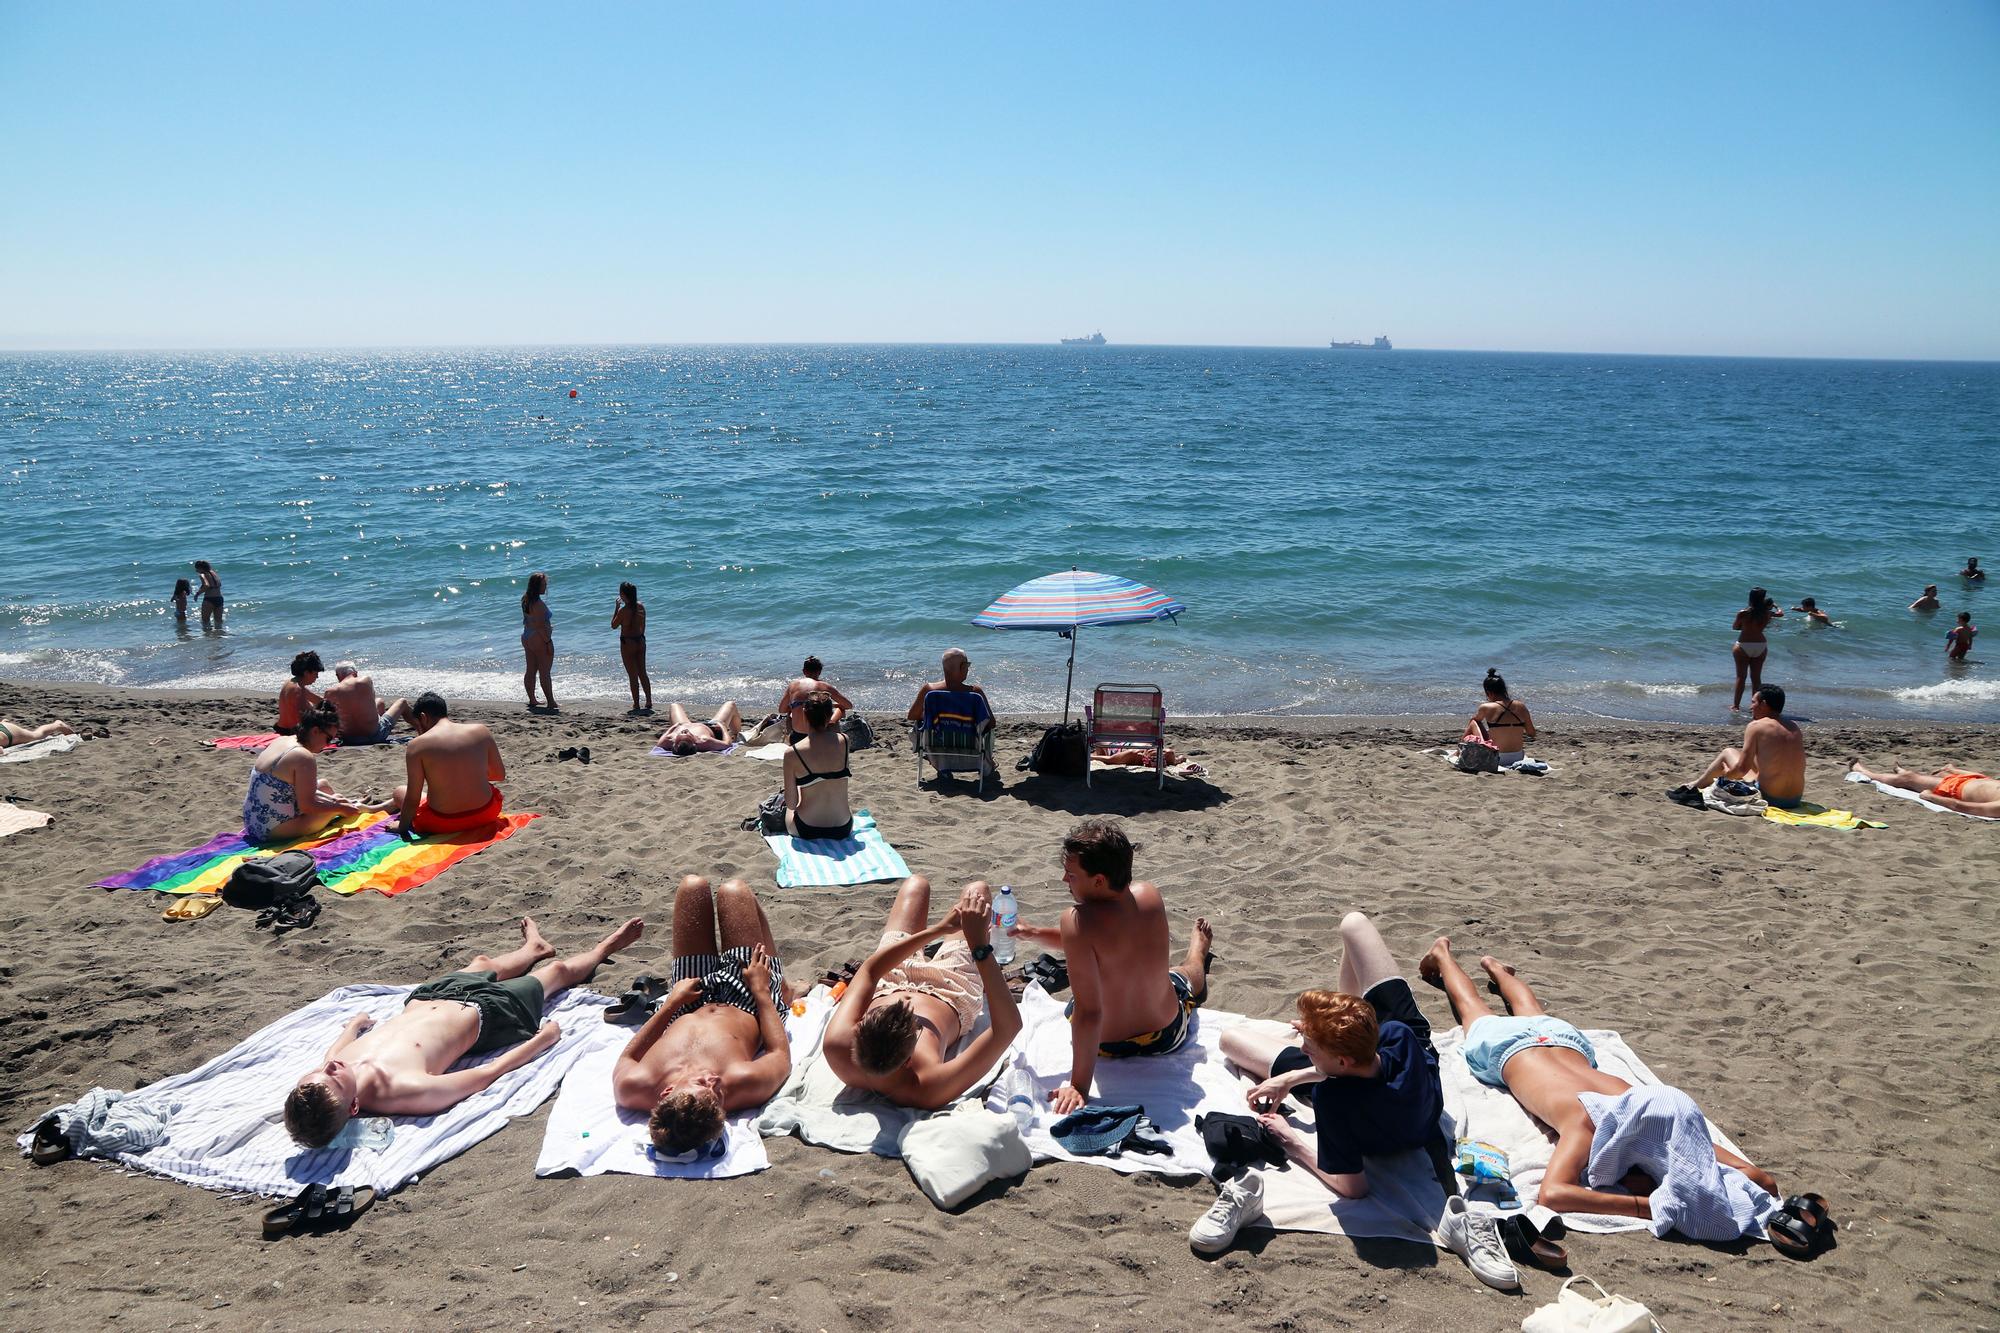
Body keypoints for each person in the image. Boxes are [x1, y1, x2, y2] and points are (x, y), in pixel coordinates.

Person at [1419, 938, 1831, 1258]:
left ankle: (1485, 964)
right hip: (1521, 1049)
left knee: (1521, 1009)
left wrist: (1750, 1180)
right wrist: (1643, 1205)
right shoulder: (1588, 1121)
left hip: (1557, 1045)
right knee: (1478, 1008)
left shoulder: (1639, 1111)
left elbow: (1752, 1174)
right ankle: (1455, 959)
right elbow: (1554, 1195)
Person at [1210, 913, 1510, 1283]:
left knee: (1230, 1040)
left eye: (1309, 1047)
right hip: (1395, 1079)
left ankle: (1332, 1033)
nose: (1301, 1047)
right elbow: (1358, 1062)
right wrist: (1293, 1075)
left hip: (1360, 1085)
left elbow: (1353, 1188)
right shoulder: (1398, 1037)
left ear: (1340, 1061)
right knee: (1354, 924)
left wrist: (1291, 1141)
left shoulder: (1334, 1100)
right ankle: (1336, 1026)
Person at [284, 916, 643, 1147]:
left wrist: (353, 1025)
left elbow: (333, 1054)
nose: (328, 1068)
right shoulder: (404, 1090)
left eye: (314, 1076)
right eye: (332, 1077)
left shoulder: (328, 1073)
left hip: (432, 996)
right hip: (489, 1014)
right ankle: (604, 948)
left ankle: (532, 948)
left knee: (484, 963)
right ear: (356, 1106)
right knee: (557, 972)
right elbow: (486, 1074)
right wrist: (541, 1041)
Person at [1008, 820, 1213, 1115]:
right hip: (1167, 1034)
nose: (1065, 880)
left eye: (1072, 874)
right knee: (1180, 975)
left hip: (1107, 1046)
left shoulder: (1075, 920)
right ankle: (1198, 953)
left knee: (1080, 1001)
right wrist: (1036, 933)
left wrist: (1078, 1085)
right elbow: (1098, 939)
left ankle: (1197, 952)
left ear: (1099, 881)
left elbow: (1090, 1012)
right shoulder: (1149, 896)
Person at [613, 876, 793, 1154]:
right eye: (717, 1095)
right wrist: (762, 990)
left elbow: (628, 1056)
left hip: (686, 999)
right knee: (734, 890)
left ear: (666, 1093)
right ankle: (782, 987)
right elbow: (779, 1053)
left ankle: (782, 983)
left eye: (701, 1084)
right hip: (746, 1000)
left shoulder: (632, 1088)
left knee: (691, 886)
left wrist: (671, 1003)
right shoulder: (742, 1084)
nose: (714, 1081)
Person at [823, 877, 1023, 1109]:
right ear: (908, 1060)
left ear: (857, 1034)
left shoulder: (837, 1046)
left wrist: (938, 930)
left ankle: (943, 935)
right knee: (976, 893)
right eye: (918, 1029)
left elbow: (870, 970)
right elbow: (1008, 1027)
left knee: (916, 885)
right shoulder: (928, 1086)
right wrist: (979, 946)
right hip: (951, 989)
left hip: (890, 977)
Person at [244, 705, 387, 842]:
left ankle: (352, 804)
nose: (328, 744)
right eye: (328, 739)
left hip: (253, 821)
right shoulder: (303, 757)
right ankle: (369, 809)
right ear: (315, 731)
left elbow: (290, 789)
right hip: (270, 830)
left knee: (324, 786)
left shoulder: (283, 740)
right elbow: (306, 805)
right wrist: (338, 807)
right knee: (336, 805)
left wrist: (337, 803)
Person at [1668, 683, 1805, 810]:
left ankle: (1695, 786)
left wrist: (1723, 778)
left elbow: (1742, 769)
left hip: (1771, 798)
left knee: (1728, 753)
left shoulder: (1756, 726)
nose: (1751, 708)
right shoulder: (1793, 727)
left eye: (1753, 702)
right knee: (1753, 759)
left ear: (1763, 704)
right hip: (1795, 799)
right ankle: (1695, 784)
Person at [388, 692, 506, 837]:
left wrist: (402, 826)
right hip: (487, 813)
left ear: (423, 717)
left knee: (399, 792)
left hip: (443, 822)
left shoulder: (416, 745)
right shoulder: (481, 730)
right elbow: (499, 775)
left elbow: (413, 797)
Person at [783, 691, 853, 840]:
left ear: (804, 714)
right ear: (830, 715)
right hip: (843, 827)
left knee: (793, 800)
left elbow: (791, 803)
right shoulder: (845, 741)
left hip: (807, 828)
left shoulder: (792, 752)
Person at [1848, 759, 2000, 817]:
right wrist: (1956, 771)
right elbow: (1988, 781)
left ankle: (1864, 772)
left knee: (1909, 779)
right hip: (1967, 780)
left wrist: (1931, 797)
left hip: (1952, 789)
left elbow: (1964, 807)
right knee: (1915, 778)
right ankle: (1903, 773)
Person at [324, 661, 413, 745]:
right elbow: (369, 703)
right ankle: (421, 729)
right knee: (402, 702)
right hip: (375, 736)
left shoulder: (329, 693)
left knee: (379, 702)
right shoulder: (365, 680)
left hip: (349, 739)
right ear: (355, 673)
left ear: (338, 676)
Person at [1467, 667, 1536, 765]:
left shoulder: (1486, 707)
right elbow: (1531, 733)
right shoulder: (1521, 706)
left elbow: (1474, 722)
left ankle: (1458, 752)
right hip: (1518, 756)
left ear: (1489, 692)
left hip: (1497, 757)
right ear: (1504, 689)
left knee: (1473, 722)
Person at [1729, 587, 1782, 712]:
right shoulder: (1767, 613)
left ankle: (1736, 706)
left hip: (1743, 645)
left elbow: (1735, 627)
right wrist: (1776, 606)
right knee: (1756, 678)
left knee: (1741, 677)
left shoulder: (1743, 613)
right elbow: (1779, 614)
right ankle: (1755, 706)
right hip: (1760, 645)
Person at [905, 647, 989, 722]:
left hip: (936, 739)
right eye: (967, 665)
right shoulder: (975, 692)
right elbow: (990, 722)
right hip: (967, 739)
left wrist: (934, 717)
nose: (968, 669)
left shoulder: (929, 689)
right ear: (963, 667)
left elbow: (912, 716)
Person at [778, 655, 852, 740]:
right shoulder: (824, 686)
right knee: (841, 709)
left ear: (804, 671)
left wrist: (796, 706)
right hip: (819, 733)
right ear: (819, 672)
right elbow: (848, 705)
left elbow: (781, 710)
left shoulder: (793, 685)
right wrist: (833, 705)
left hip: (798, 734)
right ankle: (831, 725)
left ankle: (789, 734)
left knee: (791, 710)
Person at [610, 582, 652, 714]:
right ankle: (649, 701)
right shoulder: (641, 607)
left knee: (633, 676)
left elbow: (613, 625)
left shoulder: (623, 611)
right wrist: (641, 637)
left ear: (623, 595)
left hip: (628, 643)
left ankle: (636, 704)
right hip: (640, 641)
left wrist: (616, 608)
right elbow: (643, 626)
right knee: (643, 673)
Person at [520, 571, 555, 711]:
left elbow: (530, 620)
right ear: (536, 586)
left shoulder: (525, 599)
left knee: (530, 670)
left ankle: (532, 699)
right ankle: (551, 702)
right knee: (545, 672)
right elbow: (541, 626)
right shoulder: (538, 604)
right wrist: (547, 642)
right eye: (543, 585)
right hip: (539, 638)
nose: (545, 587)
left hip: (527, 636)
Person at [656, 701, 743, 755]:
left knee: (674, 705)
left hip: (683, 723)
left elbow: (660, 742)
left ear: (674, 744)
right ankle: (736, 734)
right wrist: (723, 728)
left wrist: (674, 727)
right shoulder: (704, 741)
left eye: (683, 733)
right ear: (694, 742)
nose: (685, 732)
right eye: (687, 734)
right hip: (710, 726)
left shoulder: (669, 740)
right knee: (731, 704)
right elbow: (727, 744)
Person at [276, 652, 326, 735]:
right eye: (316, 674)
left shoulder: (291, 682)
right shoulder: (297, 690)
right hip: (291, 732)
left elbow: (317, 699)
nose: (317, 677)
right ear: (306, 673)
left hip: (281, 728)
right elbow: (308, 716)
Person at [0, 717, 76, 753]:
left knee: (37, 735)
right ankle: (5, 723)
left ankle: (58, 725)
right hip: (4, 729)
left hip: (10, 733)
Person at [193, 559, 224, 632]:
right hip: (219, 598)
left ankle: (207, 638)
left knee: (205, 621)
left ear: (201, 568)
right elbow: (218, 584)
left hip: (209, 599)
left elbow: (206, 585)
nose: (196, 571)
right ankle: (219, 636)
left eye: (197, 568)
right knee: (218, 622)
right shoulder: (214, 573)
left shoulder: (202, 575)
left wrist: (197, 594)